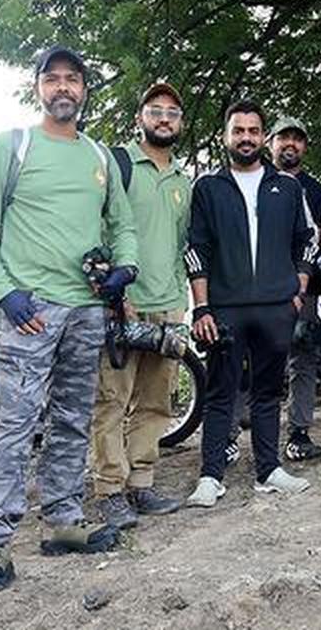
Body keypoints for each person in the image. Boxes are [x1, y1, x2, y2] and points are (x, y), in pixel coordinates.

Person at [0, 46, 138, 598]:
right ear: (37, 88)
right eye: (53, 79)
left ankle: (63, 520)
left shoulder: (100, 157)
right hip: (29, 312)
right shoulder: (9, 148)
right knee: (14, 424)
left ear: (85, 90)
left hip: (86, 310)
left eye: (74, 79)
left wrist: (124, 269)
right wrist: (6, 293)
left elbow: (122, 225)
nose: (64, 87)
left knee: (72, 419)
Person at [184, 100, 317, 507]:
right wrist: (202, 308)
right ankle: (210, 476)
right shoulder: (208, 186)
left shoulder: (288, 186)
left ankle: (269, 469)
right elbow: (196, 249)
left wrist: (295, 291)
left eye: (253, 131)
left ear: (263, 137)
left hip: (277, 307)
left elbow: (306, 242)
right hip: (225, 308)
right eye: (237, 130)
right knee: (221, 392)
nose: (245, 138)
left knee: (268, 391)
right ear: (226, 136)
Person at [89, 82, 191, 529]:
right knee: (111, 400)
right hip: (122, 305)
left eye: (172, 112)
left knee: (156, 402)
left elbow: (183, 246)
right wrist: (115, 295)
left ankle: (142, 484)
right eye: (155, 111)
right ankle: (111, 490)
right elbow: (97, 228)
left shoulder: (183, 181)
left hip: (169, 305)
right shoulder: (118, 164)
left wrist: (184, 301)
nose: (164, 119)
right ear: (140, 119)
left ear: (180, 123)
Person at [269, 116, 321, 462]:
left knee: (302, 356)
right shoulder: (257, 180)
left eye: (297, 139)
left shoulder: (317, 190)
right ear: (271, 143)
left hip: (306, 289)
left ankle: (299, 432)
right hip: (261, 286)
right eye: (283, 138)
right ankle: (235, 434)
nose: (290, 144)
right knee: (252, 358)